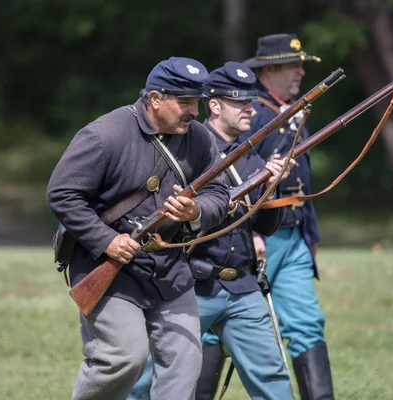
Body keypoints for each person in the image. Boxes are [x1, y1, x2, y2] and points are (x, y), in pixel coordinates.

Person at [46, 57, 230, 400]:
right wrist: (107, 240)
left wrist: (195, 211)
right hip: (109, 267)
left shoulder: (200, 139)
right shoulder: (106, 134)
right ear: (156, 98)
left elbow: (219, 192)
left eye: (197, 102)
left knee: (185, 360)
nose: (195, 111)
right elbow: (62, 193)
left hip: (169, 269)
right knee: (124, 358)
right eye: (185, 102)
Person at [128, 62, 294, 400]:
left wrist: (272, 188)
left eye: (252, 102)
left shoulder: (251, 157)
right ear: (214, 105)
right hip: (190, 285)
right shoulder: (186, 149)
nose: (250, 109)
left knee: (272, 376)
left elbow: (267, 226)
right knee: (149, 377)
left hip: (242, 285)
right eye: (240, 103)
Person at [241, 33, 335, 399]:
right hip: (259, 236)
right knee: (217, 325)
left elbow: (301, 184)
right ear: (271, 69)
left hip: (294, 234)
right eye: (293, 66)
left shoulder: (294, 112)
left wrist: (310, 237)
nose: (300, 72)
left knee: (307, 324)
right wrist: (247, 233)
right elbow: (237, 181)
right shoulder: (254, 115)